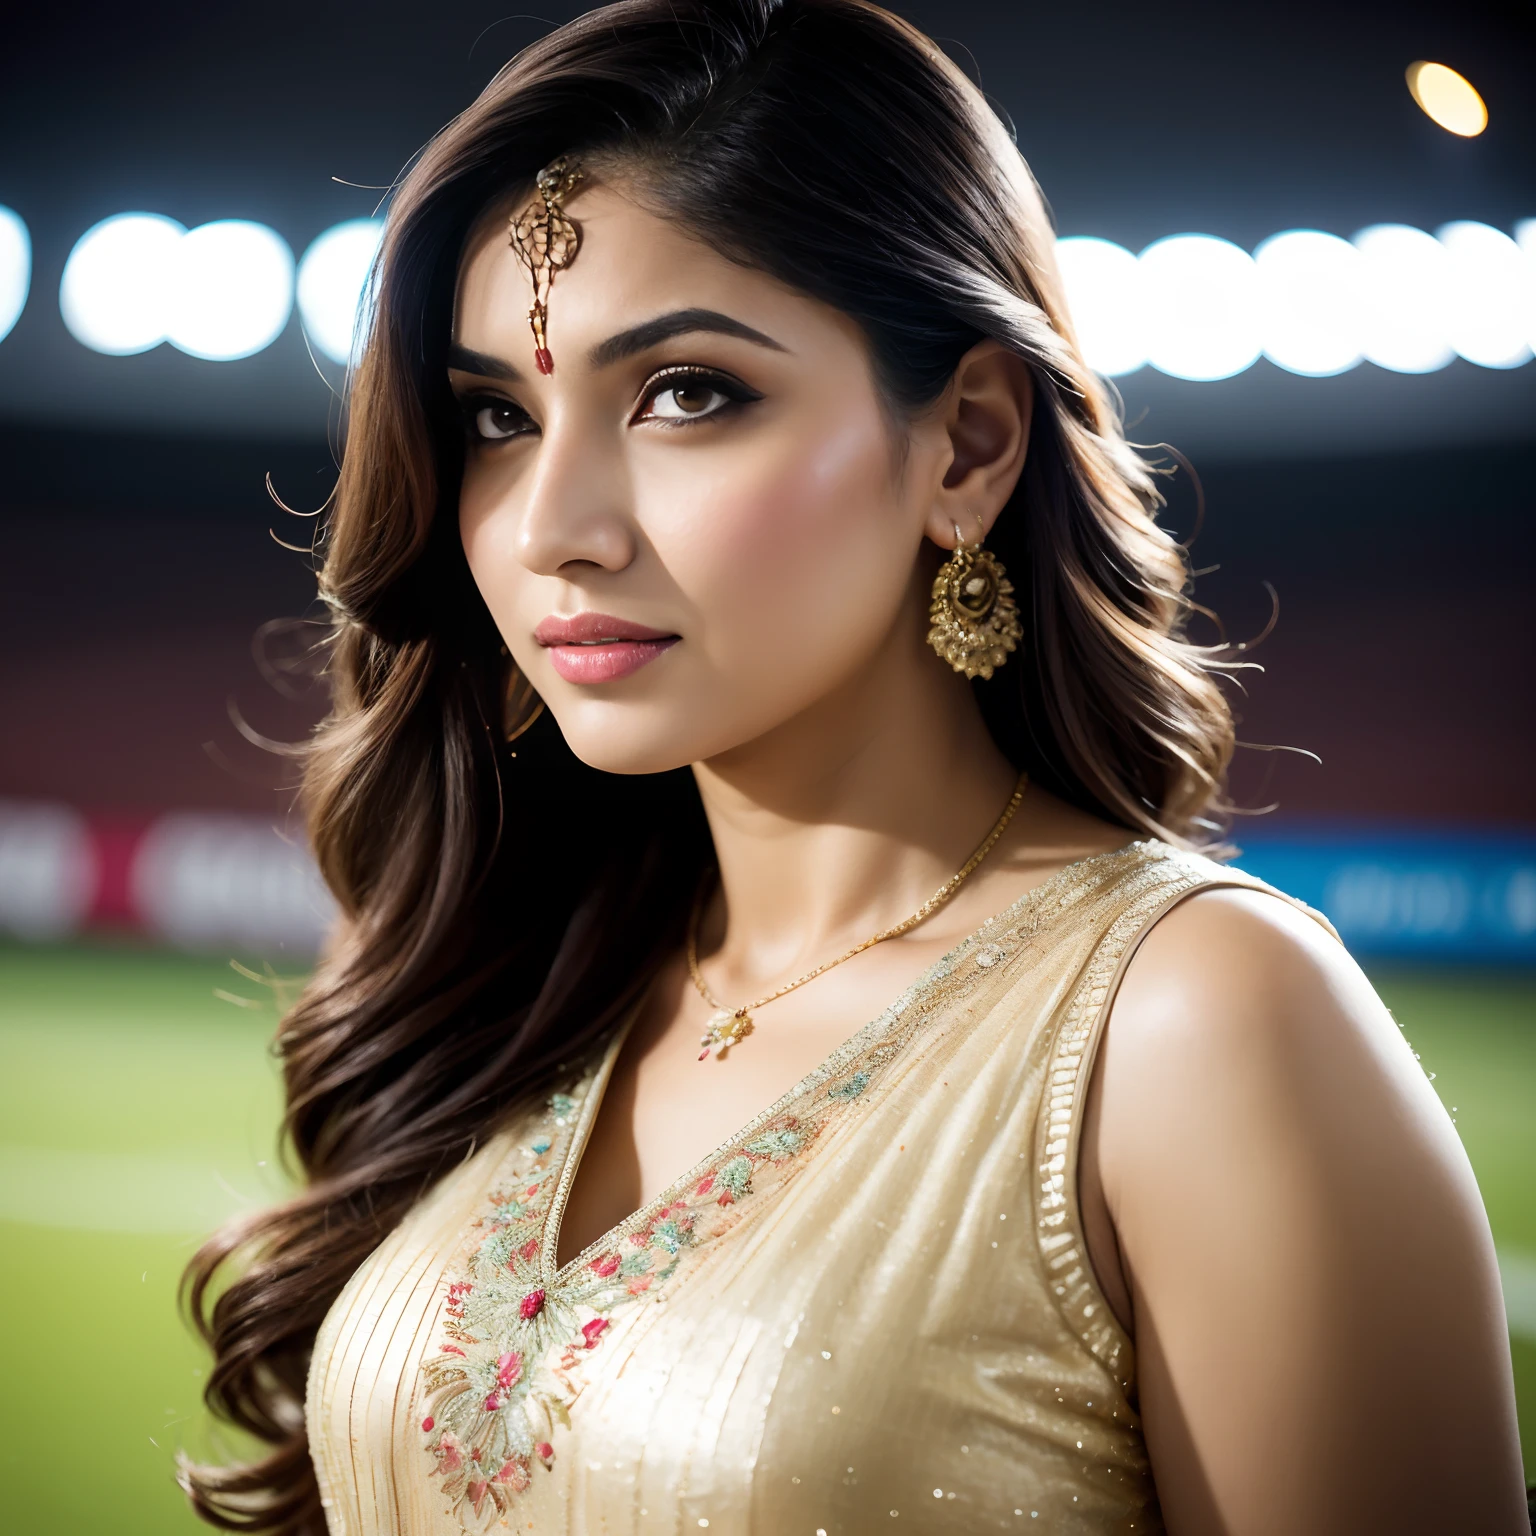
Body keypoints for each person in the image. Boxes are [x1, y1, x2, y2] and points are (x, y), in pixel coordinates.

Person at [182, 1, 1528, 1531]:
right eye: (496, 414)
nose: (553, 523)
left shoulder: (1192, 1028)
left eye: (686, 391)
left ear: (965, 445)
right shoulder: (516, 977)